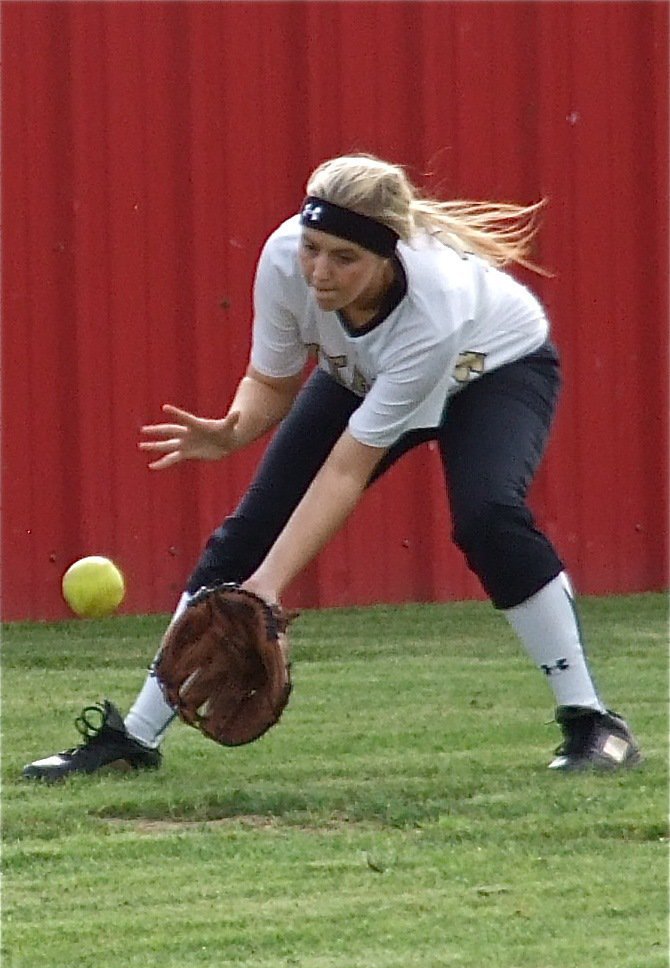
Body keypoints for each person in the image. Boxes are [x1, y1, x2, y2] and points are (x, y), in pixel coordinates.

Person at [23, 153, 640, 781]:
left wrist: (266, 590)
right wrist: (233, 429)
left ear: (389, 256)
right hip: (361, 375)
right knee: (245, 535)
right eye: (313, 247)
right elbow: (271, 380)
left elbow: (347, 470)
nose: (319, 271)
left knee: (488, 517)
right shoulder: (282, 257)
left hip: (496, 370)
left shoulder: (435, 308)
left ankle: (593, 723)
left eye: (344, 258)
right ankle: (133, 739)